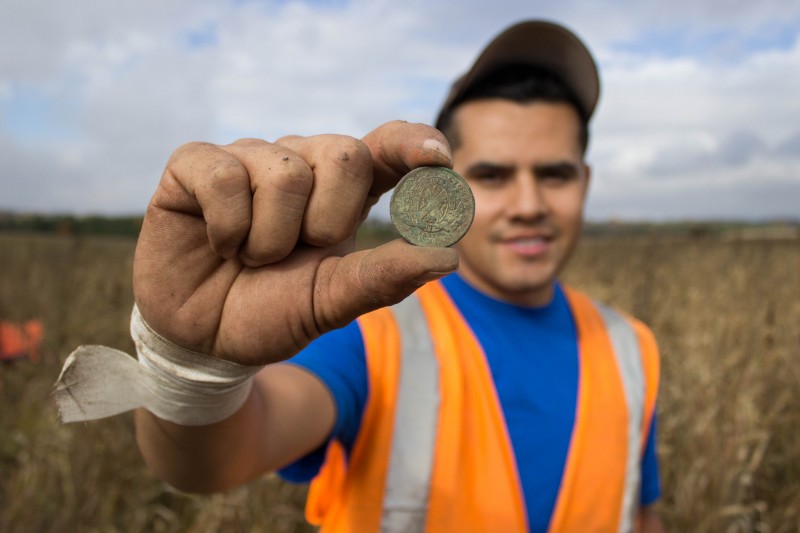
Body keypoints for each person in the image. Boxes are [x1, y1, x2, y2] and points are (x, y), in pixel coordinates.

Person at [56, 19, 664, 533]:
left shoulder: (631, 348)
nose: (529, 202)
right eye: (494, 175)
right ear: (447, 180)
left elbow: (636, 512)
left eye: (554, 174)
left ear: (584, 181)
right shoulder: (370, 332)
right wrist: (191, 368)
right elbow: (211, 465)